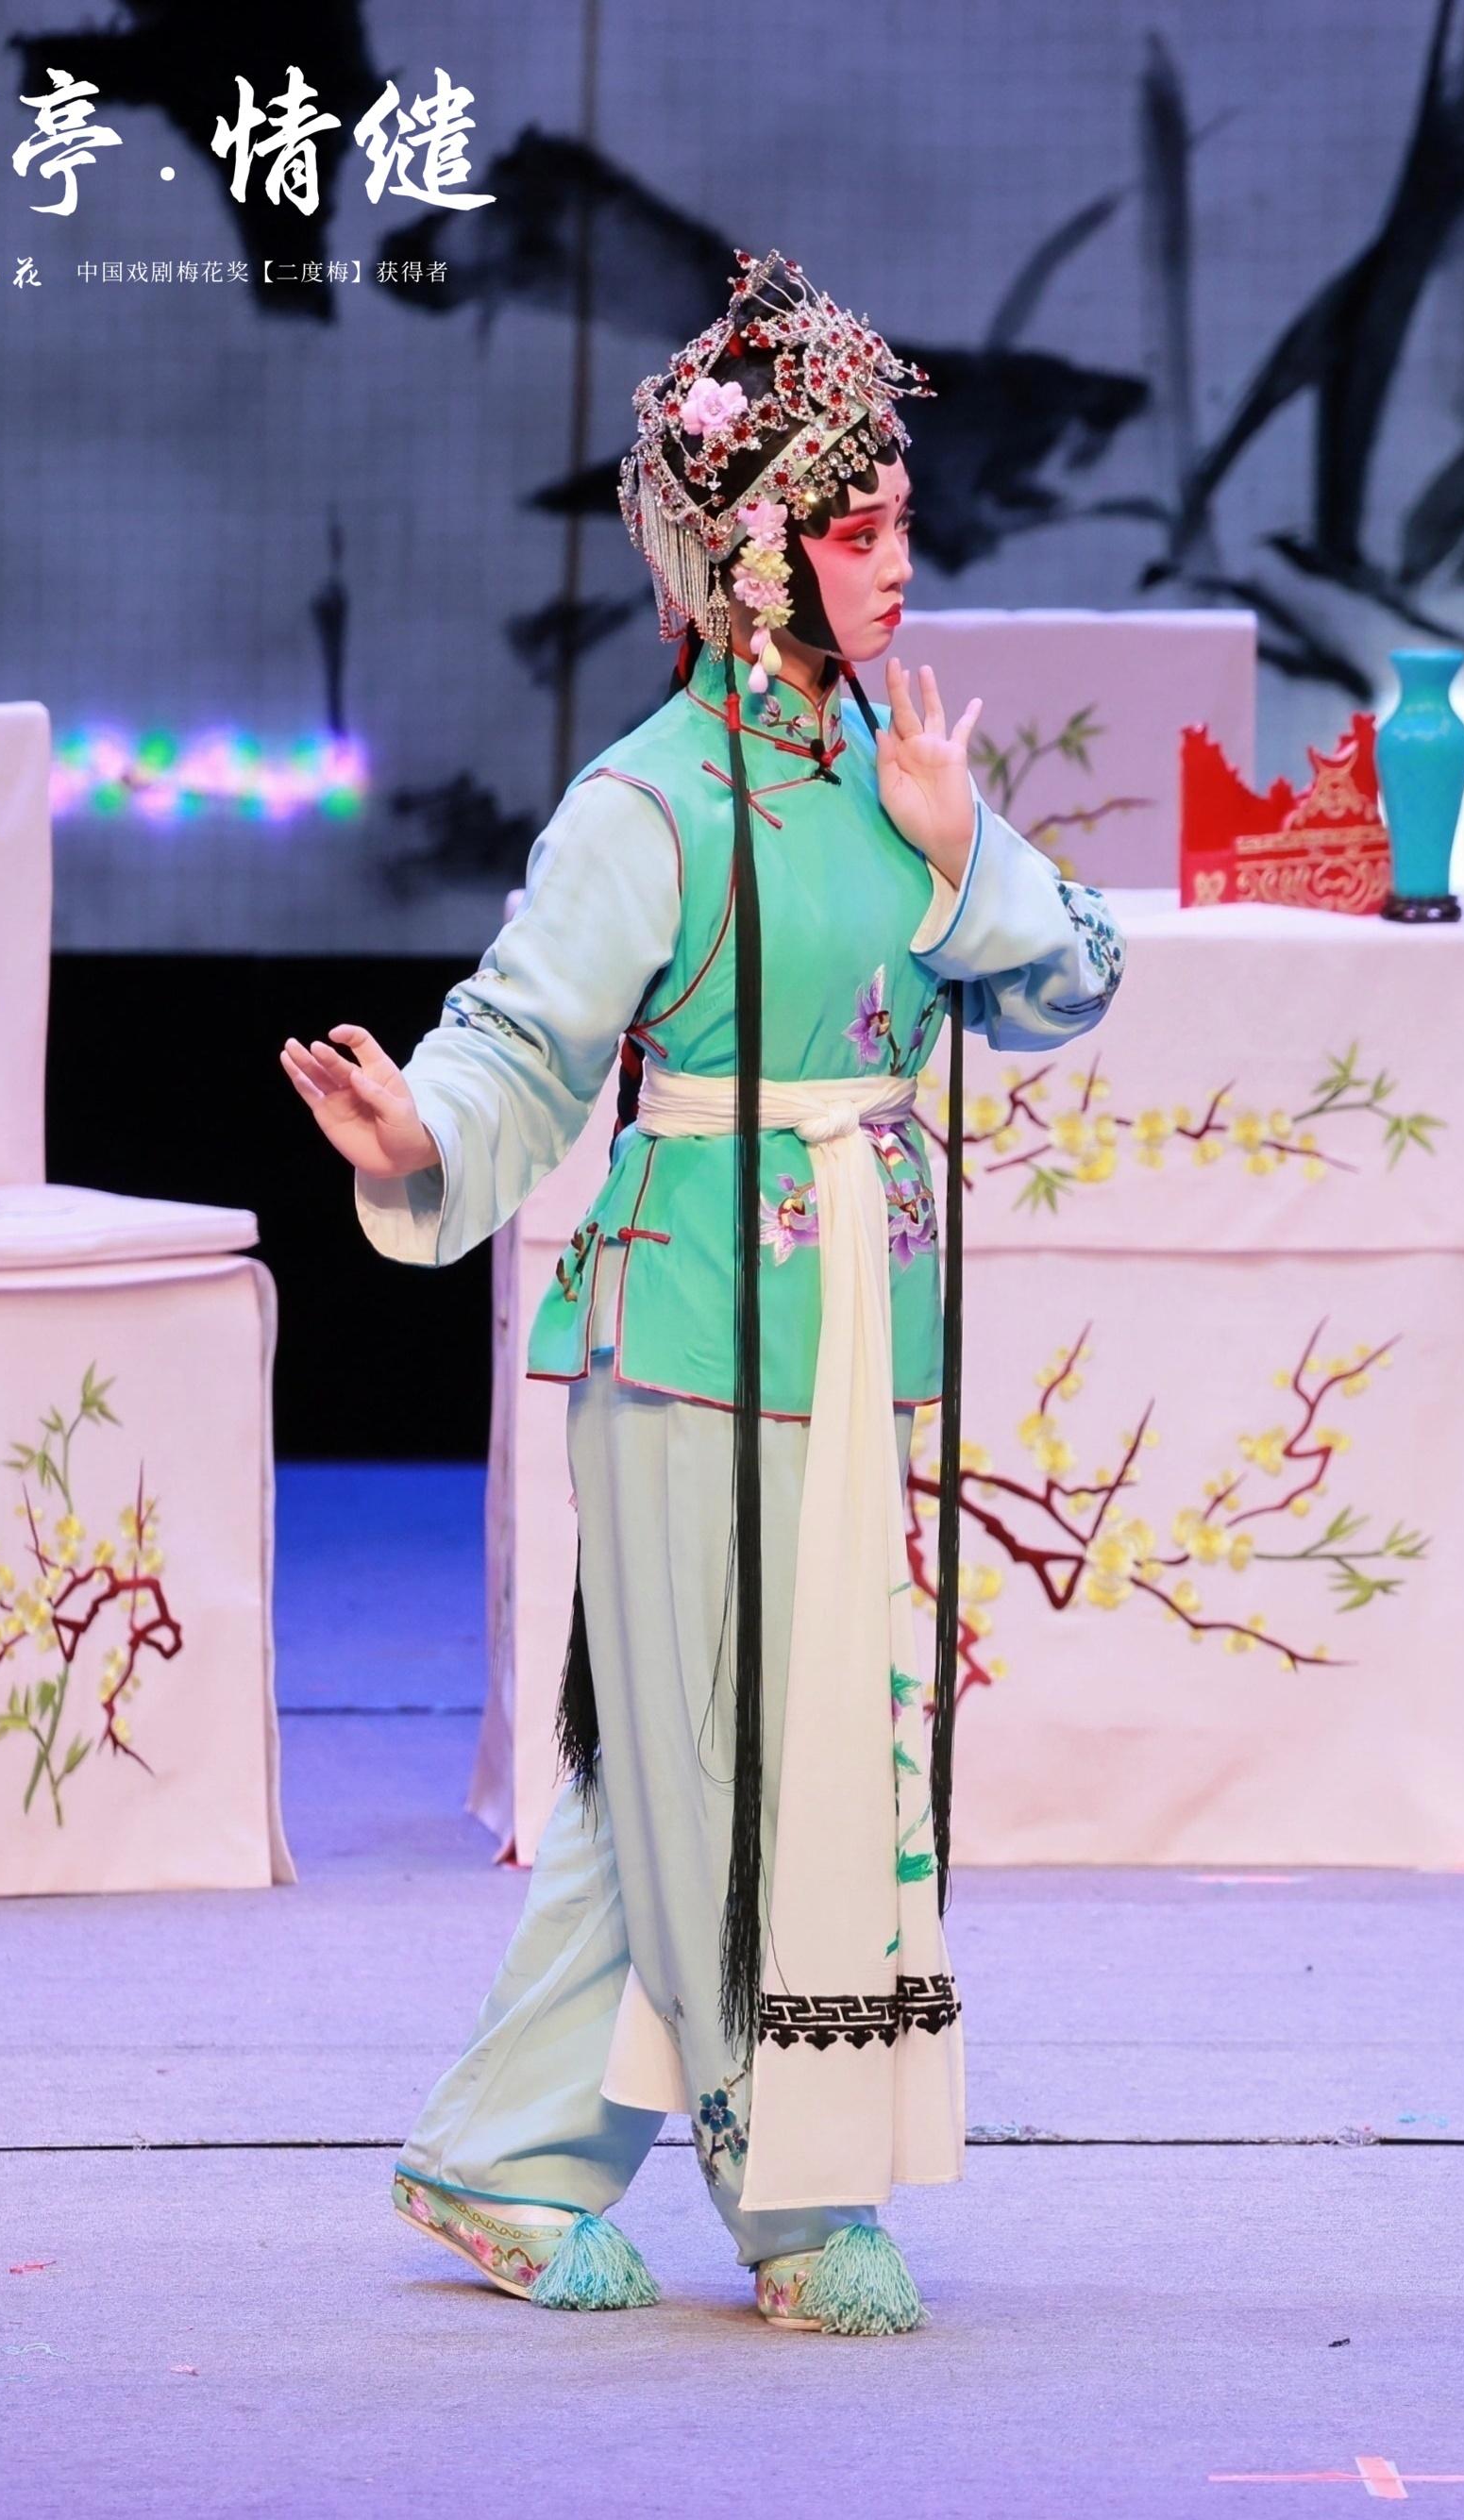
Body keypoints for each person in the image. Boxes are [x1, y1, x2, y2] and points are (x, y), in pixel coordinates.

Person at [278, 252, 1121, 2332]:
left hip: (852, 1312)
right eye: (855, 528)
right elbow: (521, 1037)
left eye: (900, 518)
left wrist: (961, 850)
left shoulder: (896, 765)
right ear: (747, 559)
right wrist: (416, 1127)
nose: (896, 561)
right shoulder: (644, 799)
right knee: (705, 1762)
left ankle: (498, 2156)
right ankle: (786, 2179)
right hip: (685, 1324)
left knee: (708, 1760)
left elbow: (1066, 980)